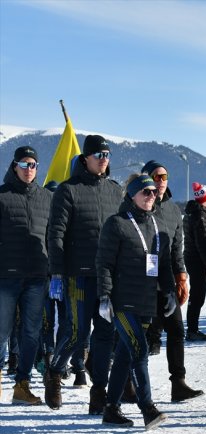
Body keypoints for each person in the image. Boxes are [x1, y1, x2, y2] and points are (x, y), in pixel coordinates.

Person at [45, 135, 123, 413]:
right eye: (99, 155)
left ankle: (98, 392)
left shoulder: (115, 191)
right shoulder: (68, 190)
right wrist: (56, 273)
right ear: (85, 158)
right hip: (78, 274)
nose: (104, 160)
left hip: (108, 277)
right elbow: (56, 234)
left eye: (107, 155)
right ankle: (54, 371)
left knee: (105, 334)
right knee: (78, 332)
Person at [97, 174, 174, 429]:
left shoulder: (156, 226)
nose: (151, 196)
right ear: (132, 195)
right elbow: (104, 263)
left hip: (144, 301)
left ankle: (111, 408)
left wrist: (170, 291)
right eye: (146, 192)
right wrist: (105, 296)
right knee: (139, 350)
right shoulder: (116, 224)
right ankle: (147, 408)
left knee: (124, 355)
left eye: (153, 192)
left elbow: (164, 264)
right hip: (121, 302)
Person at [140, 161, 203, 402]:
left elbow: (178, 248)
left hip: (166, 280)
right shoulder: (141, 204)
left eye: (164, 176)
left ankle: (178, 383)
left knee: (177, 330)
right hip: (142, 281)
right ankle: (128, 384)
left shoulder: (173, 210)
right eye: (156, 176)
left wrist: (182, 277)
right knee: (141, 335)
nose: (161, 180)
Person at [0, 146, 52, 404]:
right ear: (14, 166)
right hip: (5, 276)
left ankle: (22, 385)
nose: (29, 169)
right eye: (24, 164)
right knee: (2, 330)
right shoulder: (2, 196)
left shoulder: (46, 197)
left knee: (31, 333)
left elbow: (53, 236)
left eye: (33, 165)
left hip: (37, 276)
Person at [183, 182, 206, 341]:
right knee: (198, 296)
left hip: (191, 258)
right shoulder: (200, 217)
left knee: (196, 295)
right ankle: (192, 330)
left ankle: (192, 328)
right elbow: (201, 243)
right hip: (197, 260)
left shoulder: (191, 213)